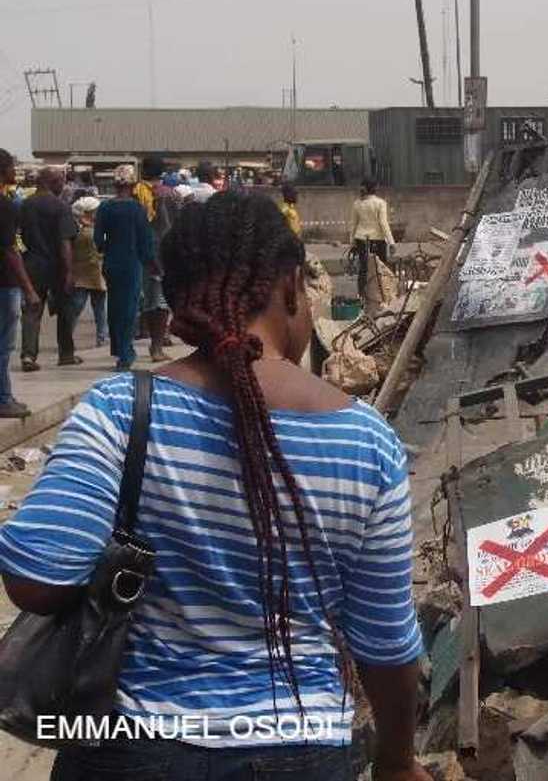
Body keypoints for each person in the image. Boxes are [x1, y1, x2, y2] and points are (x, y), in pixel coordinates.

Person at [0, 192, 431, 781]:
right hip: (301, 750)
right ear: (288, 287)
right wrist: (398, 760)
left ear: (181, 303)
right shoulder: (367, 441)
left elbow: (37, 578)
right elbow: (385, 639)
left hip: (129, 746)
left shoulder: (122, 411)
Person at [18, 166, 80, 370]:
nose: (63, 185)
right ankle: (66, 354)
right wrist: (69, 272)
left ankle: (28, 355)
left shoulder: (24, 205)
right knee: (65, 310)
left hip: (32, 264)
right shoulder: (61, 207)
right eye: (60, 181)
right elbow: (65, 242)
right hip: (56, 266)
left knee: (32, 311)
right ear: (51, 182)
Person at [95, 165, 156, 371]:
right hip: (132, 264)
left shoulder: (105, 208)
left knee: (114, 307)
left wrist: (108, 250)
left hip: (112, 263)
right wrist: (152, 263)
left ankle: (118, 348)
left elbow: (98, 240)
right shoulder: (137, 209)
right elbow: (145, 241)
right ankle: (125, 353)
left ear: (114, 185)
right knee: (129, 308)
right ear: (133, 185)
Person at [0, 150, 41, 418]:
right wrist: (29, 289)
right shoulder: (6, 206)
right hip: (4, 283)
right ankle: (3, 399)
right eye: (12, 167)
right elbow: (9, 251)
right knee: (3, 345)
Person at [136, 156, 174, 361]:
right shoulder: (165, 194)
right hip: (159, 254)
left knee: (149, 301)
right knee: (159, 303)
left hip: (141, 254)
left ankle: (152, 343)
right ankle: (157, 347)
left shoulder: (136, 192)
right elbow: (166, 227)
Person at [70, 195, 108, 348]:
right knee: (97, 307)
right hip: (92, 273)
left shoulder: (79, 229)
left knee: (80, 307)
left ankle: (100, 336)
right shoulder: (88, 231)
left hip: (84, 273)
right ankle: (101, 337)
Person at [349, 180, 394, 303]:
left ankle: (362, 296)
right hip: (378, 239)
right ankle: (381, 295)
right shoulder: (380, 203)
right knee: (380, 268)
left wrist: (352, 242)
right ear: (375, 188)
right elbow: (383, 223)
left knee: (363, 268)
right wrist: (391, 242)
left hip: (361, 239)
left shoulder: (357, 203)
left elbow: (353, 224)